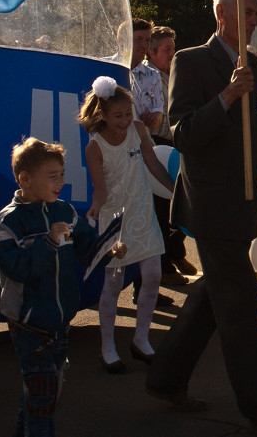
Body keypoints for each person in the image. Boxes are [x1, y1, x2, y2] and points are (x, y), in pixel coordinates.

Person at [146, 0, 257, 437]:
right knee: (240, 306)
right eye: (249, 12)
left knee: (209, 302)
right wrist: (226, 98)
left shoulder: (253, 65)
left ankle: (165, 379)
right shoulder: (192, 61)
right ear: (223, 14)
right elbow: (183, 134)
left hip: (243, 207)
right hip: (210, 207)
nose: (256, 19)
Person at [0, 138, 126, 437]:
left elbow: (84, 250)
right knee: (41, 395)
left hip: (60, 322)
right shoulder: (10, 222)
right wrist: (48, 242)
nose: (61, 182)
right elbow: (16, 268)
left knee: (44, 394)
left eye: (62, 174)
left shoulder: (63, 211)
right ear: (25, 179)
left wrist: (107, 251)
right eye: (53, 176)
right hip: (29, 324)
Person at [79, 78, 171, 372]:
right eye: (117, 116)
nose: (124, 120)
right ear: (102, 115)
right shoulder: (95, 147)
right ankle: (108, 345)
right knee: (114, 282)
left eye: (127, 114)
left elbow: (153, 164)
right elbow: (100, 189)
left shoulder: (139, 130)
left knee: (154, 274)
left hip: (144, 213)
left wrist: (175, 188)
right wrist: (96, 204)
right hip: (115, 221)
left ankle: (141, 340)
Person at [145, 26, 196, 283]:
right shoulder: (147, 76)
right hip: (154, 145)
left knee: (177, 203)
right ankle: (164, 268)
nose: (172, 53)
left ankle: (175, 252)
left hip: (173, 144)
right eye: (167, 49)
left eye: (173, 48)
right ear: (151, 52)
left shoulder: (167, 74)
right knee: (162, 209)